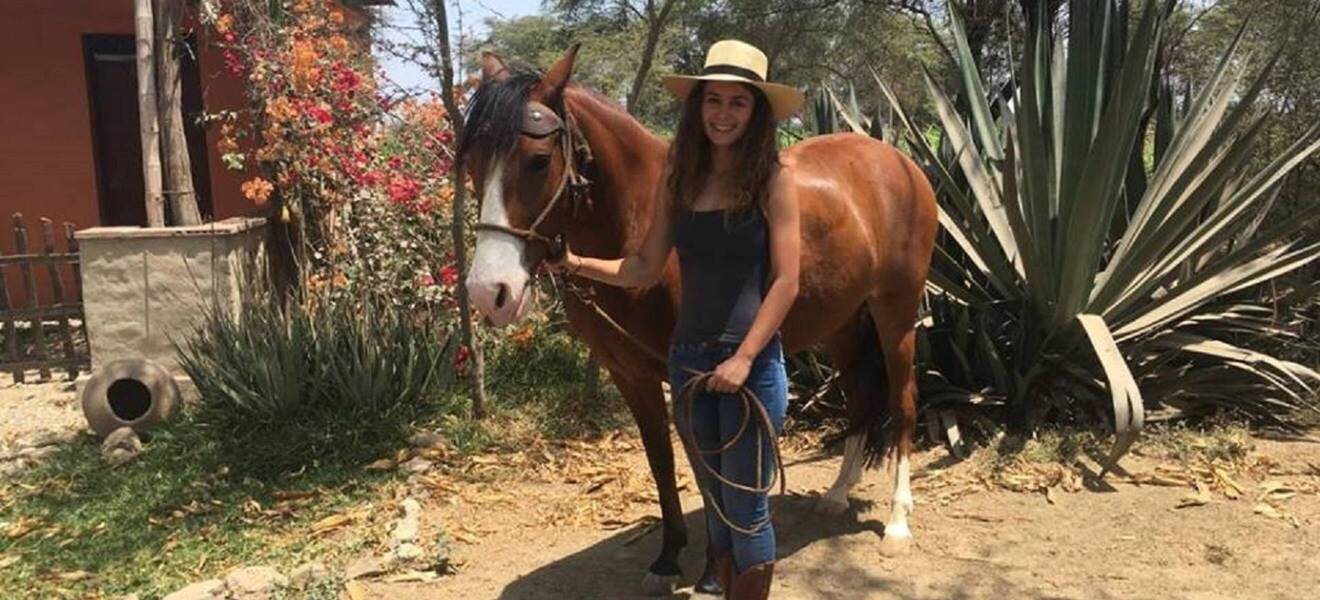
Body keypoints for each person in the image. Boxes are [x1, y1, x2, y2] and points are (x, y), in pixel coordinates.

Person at [551, 39, 802, 599]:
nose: (723, 114)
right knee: (714, 503)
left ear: (756, 112)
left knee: (746, 510)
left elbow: (788, 280)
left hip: (751, 369)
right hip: (688, 363)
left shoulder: (774, 178)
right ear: (698, 107)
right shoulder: (679, 179)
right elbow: (642, 267)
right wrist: (576, 262)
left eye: (738, 103)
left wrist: (744, 357)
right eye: (714, 101)